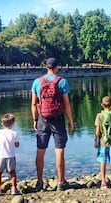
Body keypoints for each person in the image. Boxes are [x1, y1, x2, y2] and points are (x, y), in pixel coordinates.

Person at [31, 57, 74, 191]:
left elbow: (33, 104)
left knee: (40, 150)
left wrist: (34, 119)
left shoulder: (37, 82)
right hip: (58, 119)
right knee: (59, 150)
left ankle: (39, 182)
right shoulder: (62, 82)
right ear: (57, 67)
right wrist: (71, 122)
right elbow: (66, 105)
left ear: (46, 67)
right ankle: (61, 182)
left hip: (42, 119)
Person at [94, 96, 111, 189]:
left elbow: (97, 132)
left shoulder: (99, 116)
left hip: (102, 143)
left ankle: (103, 181)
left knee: (103, 162)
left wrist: (96, 141)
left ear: (101, 105)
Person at [0, 113, 20, 196]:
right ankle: (14, 189)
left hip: (0, 156)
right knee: (12, 173)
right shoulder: (14, 133)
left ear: (2, 124)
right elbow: (17, 145)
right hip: (11, 156)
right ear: (13, 124)